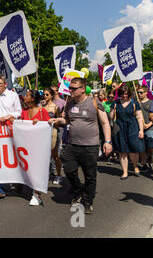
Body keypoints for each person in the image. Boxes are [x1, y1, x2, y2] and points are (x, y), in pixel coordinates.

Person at [49, 77, 112, 214]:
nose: (70, 90)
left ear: (83, 89)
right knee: (68, 168)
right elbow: (66, 121)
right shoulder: (69, 103)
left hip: (90, 146)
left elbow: (105, 123)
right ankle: (78, 190)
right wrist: (56, 120)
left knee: (90, 175)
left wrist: (107, 142)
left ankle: (88, 201)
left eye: (73, 88)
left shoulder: (95, 103)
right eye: (70, 88)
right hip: (73, 145)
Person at [0, 75, 22, 201]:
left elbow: (19, 112)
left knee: (12, 158)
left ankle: (18, 180)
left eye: (0, 83)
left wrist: (8, 116)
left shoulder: (13, 96)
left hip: (9, 131)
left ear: (5, 84)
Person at [21, 90, 51, 206]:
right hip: (26, 146)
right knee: (29, 168)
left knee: (38, 169)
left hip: (39, 146)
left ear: (32, 98)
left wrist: (41, 123)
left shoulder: (43, 112)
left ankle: (36, 194)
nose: (24, 97)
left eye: (27, 95)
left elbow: (50, 125)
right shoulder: (24, 111)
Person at [109, 84, 145, 179]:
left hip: (133, 128)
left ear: (129, 94)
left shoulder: (134, 103)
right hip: (120, 129)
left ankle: (135, 166)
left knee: (133, 150)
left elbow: (139, 117)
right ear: (120, 94)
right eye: (123, 94)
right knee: (122, 151)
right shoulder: (116, 103)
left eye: (126, 94)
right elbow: (111, 117)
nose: (125, 96)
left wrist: (141, 130)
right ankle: (125, 172)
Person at [43, 87, 63, 185]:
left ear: (51, 95)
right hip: (44, 133)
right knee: (45, 156)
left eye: (47, 94)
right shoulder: (42, 107)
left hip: (53, 132)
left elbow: (59, 122)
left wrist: (54, 122)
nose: (45, 96)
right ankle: (44, 175)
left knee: (55, 155)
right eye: (44, 94)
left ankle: (58, 175)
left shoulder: (55, 107)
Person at [138, 85, 153, 171]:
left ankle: (150, 157)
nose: (139, 94)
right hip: (140, 128)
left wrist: (149, 124)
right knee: (141, 147)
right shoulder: (137, 102)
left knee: (150, 146)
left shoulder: (151, 103)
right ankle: (144, 164)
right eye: (138, 92)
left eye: (141, 92)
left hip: (150, 128)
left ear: (146, 92)